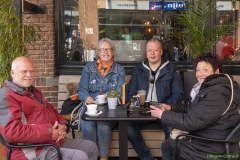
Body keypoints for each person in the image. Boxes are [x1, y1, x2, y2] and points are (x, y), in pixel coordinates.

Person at [0, 57, 98, 160]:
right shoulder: (6, 96)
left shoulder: (34, 92)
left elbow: (52, 110)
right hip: (29, 150)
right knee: (79, 156)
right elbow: (12, 132)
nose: (29, 75)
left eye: (31, 71)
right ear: (12, 73)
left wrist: (63, 126)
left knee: (91, 147)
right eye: (24, 71)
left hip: (49, 142)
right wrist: (50, 132)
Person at [150, 53, 240, 160]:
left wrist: (163, 115)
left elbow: (191, 122)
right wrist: (171, 108)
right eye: (198, 70)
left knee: (168, 146)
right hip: (216, 141)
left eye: (205, 70)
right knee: (168, 145)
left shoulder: (216, 93)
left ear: (216, 71)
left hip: (213, 149)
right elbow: (194, 110)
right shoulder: (215, 87)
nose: (200, 74)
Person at [127, 38, 184, 160]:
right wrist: (136, 104)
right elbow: (131, 91)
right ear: (146, 53)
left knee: (171, 129)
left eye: (155, 50)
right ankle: (146, 157)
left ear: (161, 52)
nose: (152, 53)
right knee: (127, 125)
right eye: (149, 50)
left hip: (163, 110)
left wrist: (164, 106)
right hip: (142, 111)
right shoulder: (139, 69)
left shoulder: (171, 69)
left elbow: (178, 94)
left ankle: (168, 158)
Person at [77, 38, 125, 160]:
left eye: (108, 49)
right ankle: (90, 157)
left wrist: (109, 98)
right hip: (90, 107)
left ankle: (104, 157)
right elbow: (81, 89)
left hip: (110, 108)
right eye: (102, 49)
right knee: (88, 126)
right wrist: (86, 97)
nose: (105, 52)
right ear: (98, 52)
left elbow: (119, 91)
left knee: (103, 126)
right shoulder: (88, 68)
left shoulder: (119, 70)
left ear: (113, 52)